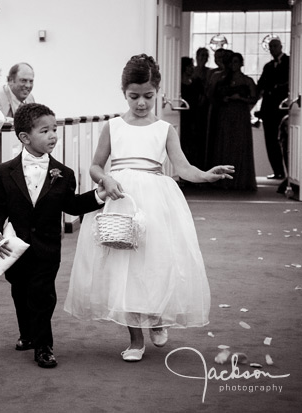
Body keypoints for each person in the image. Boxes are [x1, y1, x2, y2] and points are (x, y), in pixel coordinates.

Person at [64, 54, 234, 362]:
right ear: (124, 93)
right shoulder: (113, 126)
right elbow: (94, 166)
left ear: (158, 91)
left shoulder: (164, 129)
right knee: (123, 268)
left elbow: (182, 168)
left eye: (148, 96)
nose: (141, 103)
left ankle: (156, 317)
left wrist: (206, 175)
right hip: (122, 200)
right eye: (134, 96)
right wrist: (107, 179)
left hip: (156, 202)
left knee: (154, 263)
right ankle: (135, 339)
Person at [0, 103, 106, 368]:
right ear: (25, 138)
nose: (53, 135)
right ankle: (27, 334)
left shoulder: (64, 174)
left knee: (43, 295)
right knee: (20, 291)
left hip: (47, 247)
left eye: (55, 129)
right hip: (17, 246)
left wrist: (98, 196)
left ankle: (43, 346)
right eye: (45, 130)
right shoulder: (3, 172)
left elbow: (71, 206)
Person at [209, 52, 258, 190]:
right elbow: (213, 96)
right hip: (225, 115)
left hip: (241, 115)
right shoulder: (222, 79)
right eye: (232, 62)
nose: (234, 65)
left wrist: (241, 98)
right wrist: (223, 99)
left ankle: (241, 180)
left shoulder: (247, 80)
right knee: (225, 145)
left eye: (236, 62)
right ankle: (223, 180)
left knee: (240, 145)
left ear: (241, 63)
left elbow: (254, 98)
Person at [257, 38, 289, 180]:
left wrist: (277, 88)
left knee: (285, 141)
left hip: (282, 110)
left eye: (275, 46)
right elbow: (261, 85)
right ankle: (278, 171)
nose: (273, 49)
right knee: (270, 141)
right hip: (268, 111)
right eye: (271, 47)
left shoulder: (290, 62)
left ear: (281, 47)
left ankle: (289, 174)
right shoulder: (268, 66)